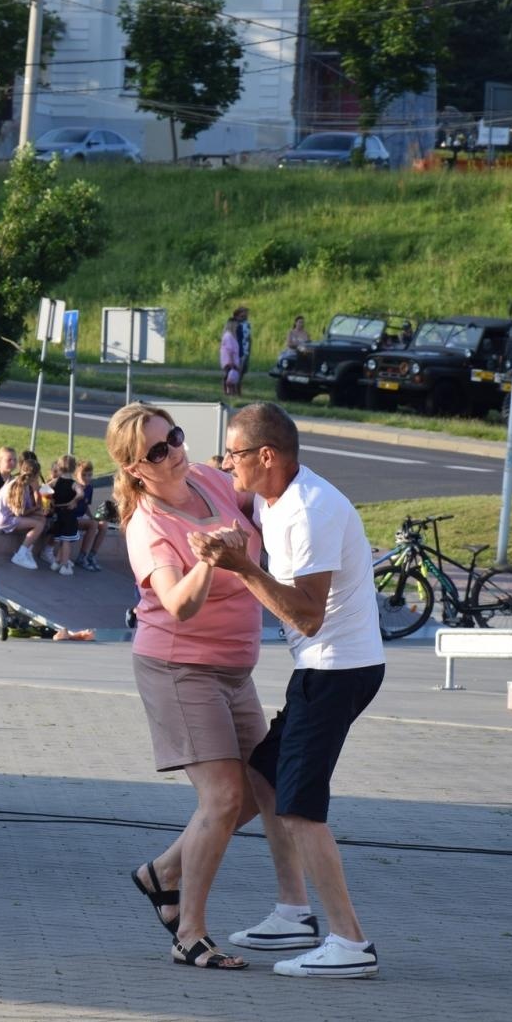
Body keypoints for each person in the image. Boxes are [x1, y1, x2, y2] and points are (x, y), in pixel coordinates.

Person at [190, 401, 385, 979]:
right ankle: (293, 912)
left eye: (235, 454)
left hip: (337, 669)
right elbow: (214, 484)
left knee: (300, 807)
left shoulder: (308, 509)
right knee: (266, 771)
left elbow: (307, 617)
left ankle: (351, 943)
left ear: (266, 456)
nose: (228, 465)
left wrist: (242, 566)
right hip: (325, 668)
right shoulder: (274, 494)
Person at [107, 403, 274, 972]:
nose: (173, 452)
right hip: (179, 668)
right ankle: (190, 933)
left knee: (263, 785)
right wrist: (211, 560)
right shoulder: (148, 526)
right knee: (224, 797)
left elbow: (258, 499)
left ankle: (163, 871)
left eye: (173, 438)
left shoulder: (204, 477)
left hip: (234, 669)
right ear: (134, 469)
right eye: (156, 451)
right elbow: (178, 605)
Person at [0, 451, 48, 570]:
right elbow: (19, 512)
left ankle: (28, 550)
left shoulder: (23, 484)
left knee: (42, 518)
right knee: (38, 525)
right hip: (3, 519)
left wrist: (38, 509)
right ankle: (21, 554)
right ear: (35, 476)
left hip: (6, 516)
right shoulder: (18, 486)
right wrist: (36, 509)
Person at [47, 454, 81, 576]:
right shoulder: (74, 484)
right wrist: (74, 501)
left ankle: (57, 561)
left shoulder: (55, 482)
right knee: (67, 541)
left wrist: (50, 500)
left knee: (63, 539)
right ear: (74, 468)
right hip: (69, 515)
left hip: (58, 514)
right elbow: (80, 494)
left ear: (59, 467)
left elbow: (43, 489)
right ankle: (65, 564)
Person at [72, 458, 107, 571]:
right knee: (93, 524)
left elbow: (85, 505)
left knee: (103, 523)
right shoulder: (73, 487)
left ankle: (91, 556)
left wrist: (92, 516)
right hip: (72, 518)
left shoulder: (90, 488)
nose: (87, 478)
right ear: (76, 474)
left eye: (89, 475)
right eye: (84, 475)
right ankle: (82, 557)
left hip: (82, 517)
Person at [220, 318, 243, 397]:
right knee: (229, 376)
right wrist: (232, 361)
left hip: (232, 359)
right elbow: (229, 350)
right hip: (229, 360)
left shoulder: (231, 335)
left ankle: (231, 392)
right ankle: (229, 392)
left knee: (231, 375)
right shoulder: (228, 336)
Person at [234, 306, 253, 377]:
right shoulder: (234, 323)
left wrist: (249, 349)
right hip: (237, 349)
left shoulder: (247, 324)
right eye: (243, 315)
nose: (245, 317)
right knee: (236, 370)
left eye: (246, 315)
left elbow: (249, 337)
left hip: (245, 349)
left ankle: (238, 386)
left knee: (242, 371)